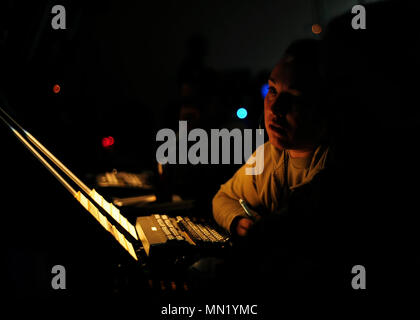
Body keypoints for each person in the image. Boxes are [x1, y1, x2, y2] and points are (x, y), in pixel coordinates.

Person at [213, 39, 332, 239]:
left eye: (294, 97)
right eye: (273, 90)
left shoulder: (338, 162)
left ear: (324, 107)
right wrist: (238, 221)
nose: (275, 108)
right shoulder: (268, 156)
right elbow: (223, 197)